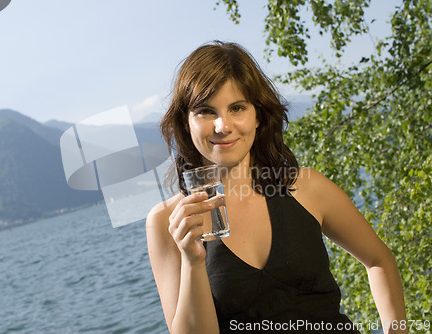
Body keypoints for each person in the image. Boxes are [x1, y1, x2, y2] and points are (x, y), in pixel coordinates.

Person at [146, 41, 407, 334]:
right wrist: (192, 261)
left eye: (237, 107)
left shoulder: (307, 187)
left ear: (257, 115)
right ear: (186, 121)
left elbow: (379, 260)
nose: (223, 125)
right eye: (206, 111)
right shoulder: (167, 222)